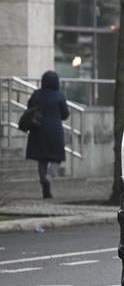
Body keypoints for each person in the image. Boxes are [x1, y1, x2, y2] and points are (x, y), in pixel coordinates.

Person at [24, 71, 69, 199]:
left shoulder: (36, 94)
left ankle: (44, 182)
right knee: (57, 158)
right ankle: (49, 178)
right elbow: (65, 114)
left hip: (38, 130)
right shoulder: (59, 96)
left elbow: (29, 108)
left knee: (42, 160)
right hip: (55, 132)